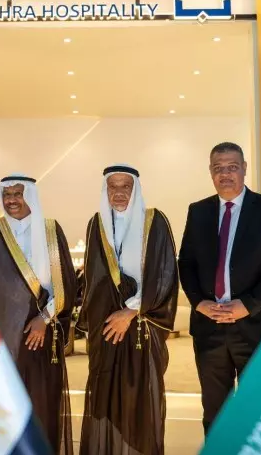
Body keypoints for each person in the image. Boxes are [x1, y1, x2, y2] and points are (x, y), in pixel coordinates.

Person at [178, 142, 261, 434]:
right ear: (210, 172)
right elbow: (186, 262)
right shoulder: (198, 211)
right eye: (218, 168)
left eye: (232, 167)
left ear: (244, 169)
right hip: (209, 328)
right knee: (216, 412)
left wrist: (248, 305)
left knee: (258, 408)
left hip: (255, 327)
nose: (225, 174)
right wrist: (199, 303)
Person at [78, 164, 178, 455]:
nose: (119, 193)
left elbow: (166, 274)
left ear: (136, 189)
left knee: (138, 398)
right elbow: (94, 279)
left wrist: (132, 310)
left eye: (126, 186)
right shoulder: (96, 224)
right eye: (113, 186)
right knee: (105, 396)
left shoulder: (154, 222)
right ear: (105, 190)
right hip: (106, 330)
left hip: (143, 326)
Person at [0, 174, 76, 454]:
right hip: (2, 340)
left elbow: (66, 285)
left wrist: (44, 319)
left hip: (40, 340)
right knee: (5, 409)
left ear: (29, 195)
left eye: (17, 194)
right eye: (7, 195)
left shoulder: (51, 231)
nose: (11, 200)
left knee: (40, 406)